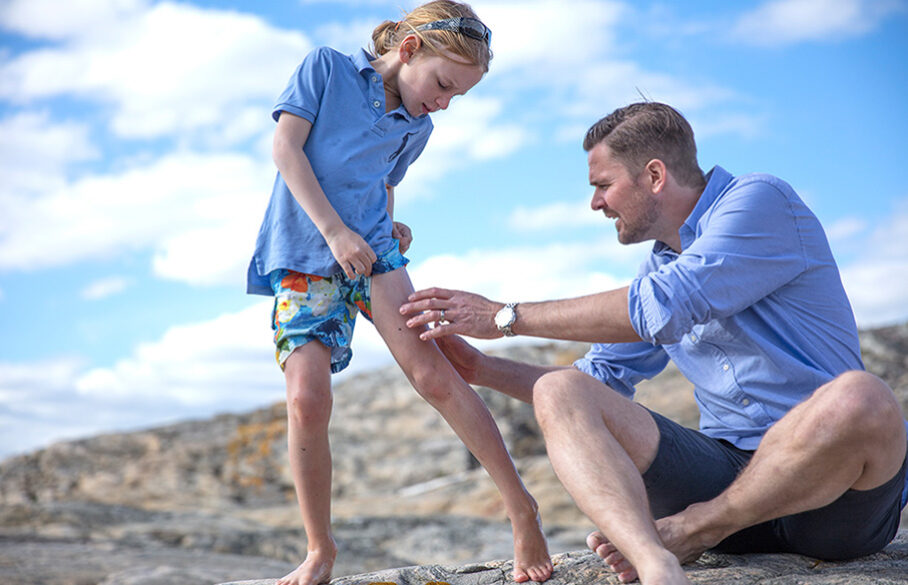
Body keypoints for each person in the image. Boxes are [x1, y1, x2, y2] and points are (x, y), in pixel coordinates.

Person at [399, 102, 908, 585]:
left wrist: (504, 316)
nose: (595, 202)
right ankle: (656, 563)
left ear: (655, 176)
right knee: (561, 391)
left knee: (862, 397)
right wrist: (482, 366)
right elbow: (593, 384)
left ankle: (690, 531)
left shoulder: (761, 201)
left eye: (603, 185)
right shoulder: (662, 264)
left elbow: (668, 302)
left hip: (831, 497)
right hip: (729, 478)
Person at [245, 3, 553, 584]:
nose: (443, 103)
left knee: (435, 375)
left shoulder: (418, 127)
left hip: (376, 256)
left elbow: (381, 181)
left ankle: (522, 508)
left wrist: (391, 222)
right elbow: (286, 151)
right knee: (307, 400)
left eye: (456, 96)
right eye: (442, 85)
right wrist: (336, 231)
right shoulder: (327, 70)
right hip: (309, 253)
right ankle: (320, 550)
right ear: (408, 51)